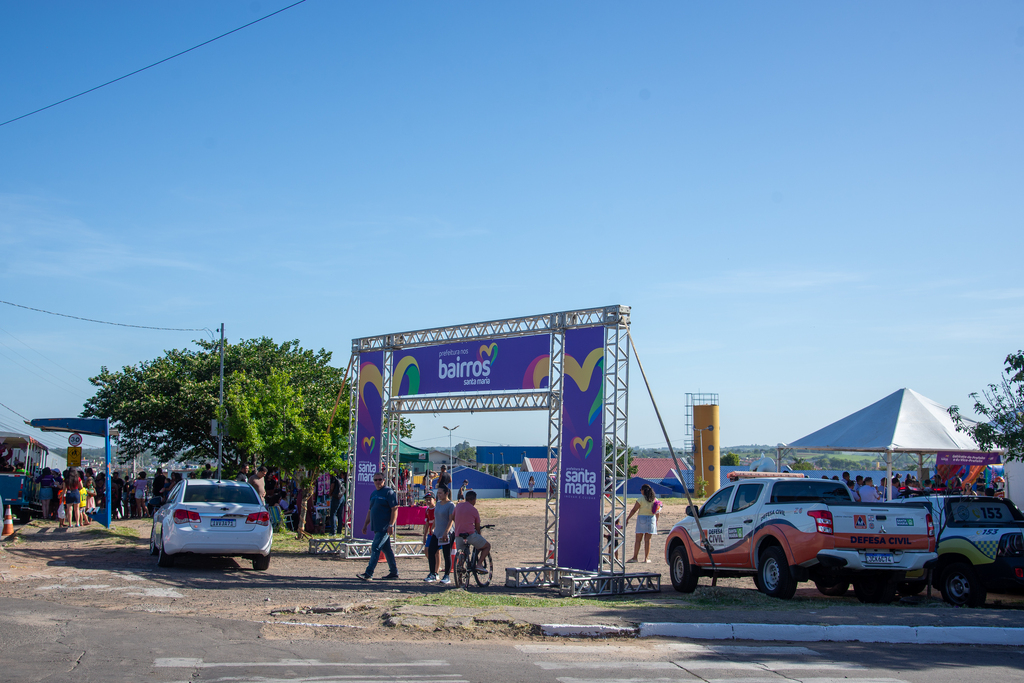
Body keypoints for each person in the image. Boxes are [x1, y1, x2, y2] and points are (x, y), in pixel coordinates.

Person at [357, 471, 400, 581]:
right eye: (375, 480)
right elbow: (370, 510)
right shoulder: (373, 494)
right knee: (387, 550)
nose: (378, 482)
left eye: (380, 479)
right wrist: (365, 524)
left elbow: (395, 509)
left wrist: (391, 524)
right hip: (376, 527)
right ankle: (394, 572)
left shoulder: (389, 492)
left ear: (384, 480)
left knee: (375, 547)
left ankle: (368, 573)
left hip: (384, 527)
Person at [452, 490, 490, 569]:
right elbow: (477, 527)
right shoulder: (474, 510)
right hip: (470, 535)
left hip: (458, 535)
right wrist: (479, 535)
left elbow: (453, 517)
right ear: (474, 500)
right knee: (487, 546)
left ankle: (460, 569)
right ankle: (479, 564)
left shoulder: (458, 506)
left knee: (462, 552)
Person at [426, 486, 455, 584]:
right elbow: (436, 517)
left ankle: (447, 576)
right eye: (437, 493)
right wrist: (433, 528)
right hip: (437, 532)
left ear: (446, 493)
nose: (438, 495)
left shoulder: (451, 505)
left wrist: (446, 532)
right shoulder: (438, 504)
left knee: (446, 554)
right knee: (431, 551)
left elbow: (451, 520)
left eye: (440, 493)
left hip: (446, 533)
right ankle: (433, 573)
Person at [625, 484, 660, 563]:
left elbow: (634, 510)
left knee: (638, 540)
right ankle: (646, 558)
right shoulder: (655, 499)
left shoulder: (641, 499)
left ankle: (635, 557)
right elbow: (657, 512)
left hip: (642, 519)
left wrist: (628, 518)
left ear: (643, 491)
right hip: (651, 519)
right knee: (648, 540)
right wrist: (656, 521)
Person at [328, 470, 344, 536]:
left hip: (336, 496)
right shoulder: (341, 478)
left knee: (333, 514)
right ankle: (339, 530)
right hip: (342, 497)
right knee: (339, 514)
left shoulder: (334, 478)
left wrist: (330, 493)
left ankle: (333, 531)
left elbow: (332, 486)